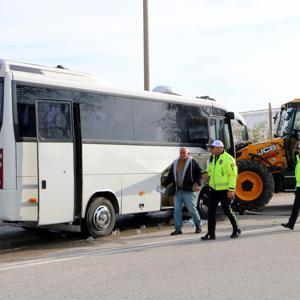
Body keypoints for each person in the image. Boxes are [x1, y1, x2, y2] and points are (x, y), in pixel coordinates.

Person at [201, 140, 241, 240]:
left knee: (227, 210)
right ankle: (211, 233)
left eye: (212, 148)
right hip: (214, 189)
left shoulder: (228, 159)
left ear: (219, 148)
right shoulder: (212, 157)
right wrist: (206, 173)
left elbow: (233, 175)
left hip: (225, 190)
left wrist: (231, 190)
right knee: (211, 212)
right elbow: (211, 169)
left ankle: (237, 229)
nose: (211, 150)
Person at [161, 147, 202, 235]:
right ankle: (178, 229)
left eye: (184, 153)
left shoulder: (192, 162)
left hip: (188, 191)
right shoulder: (175, 162)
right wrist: (163, 184)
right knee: (177, 210)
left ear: (188, 154)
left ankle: (198, 226)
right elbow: (170, 176)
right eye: (181, 153)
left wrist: (197, 183)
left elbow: (199, 173)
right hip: (178, 191)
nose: (182, 154)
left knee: (191, 209)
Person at [281, 144, 300, 230]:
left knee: (296, 206)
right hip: (299, 187)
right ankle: (291, 223)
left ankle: (291, 223)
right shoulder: (298, 160)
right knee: (296, 207)